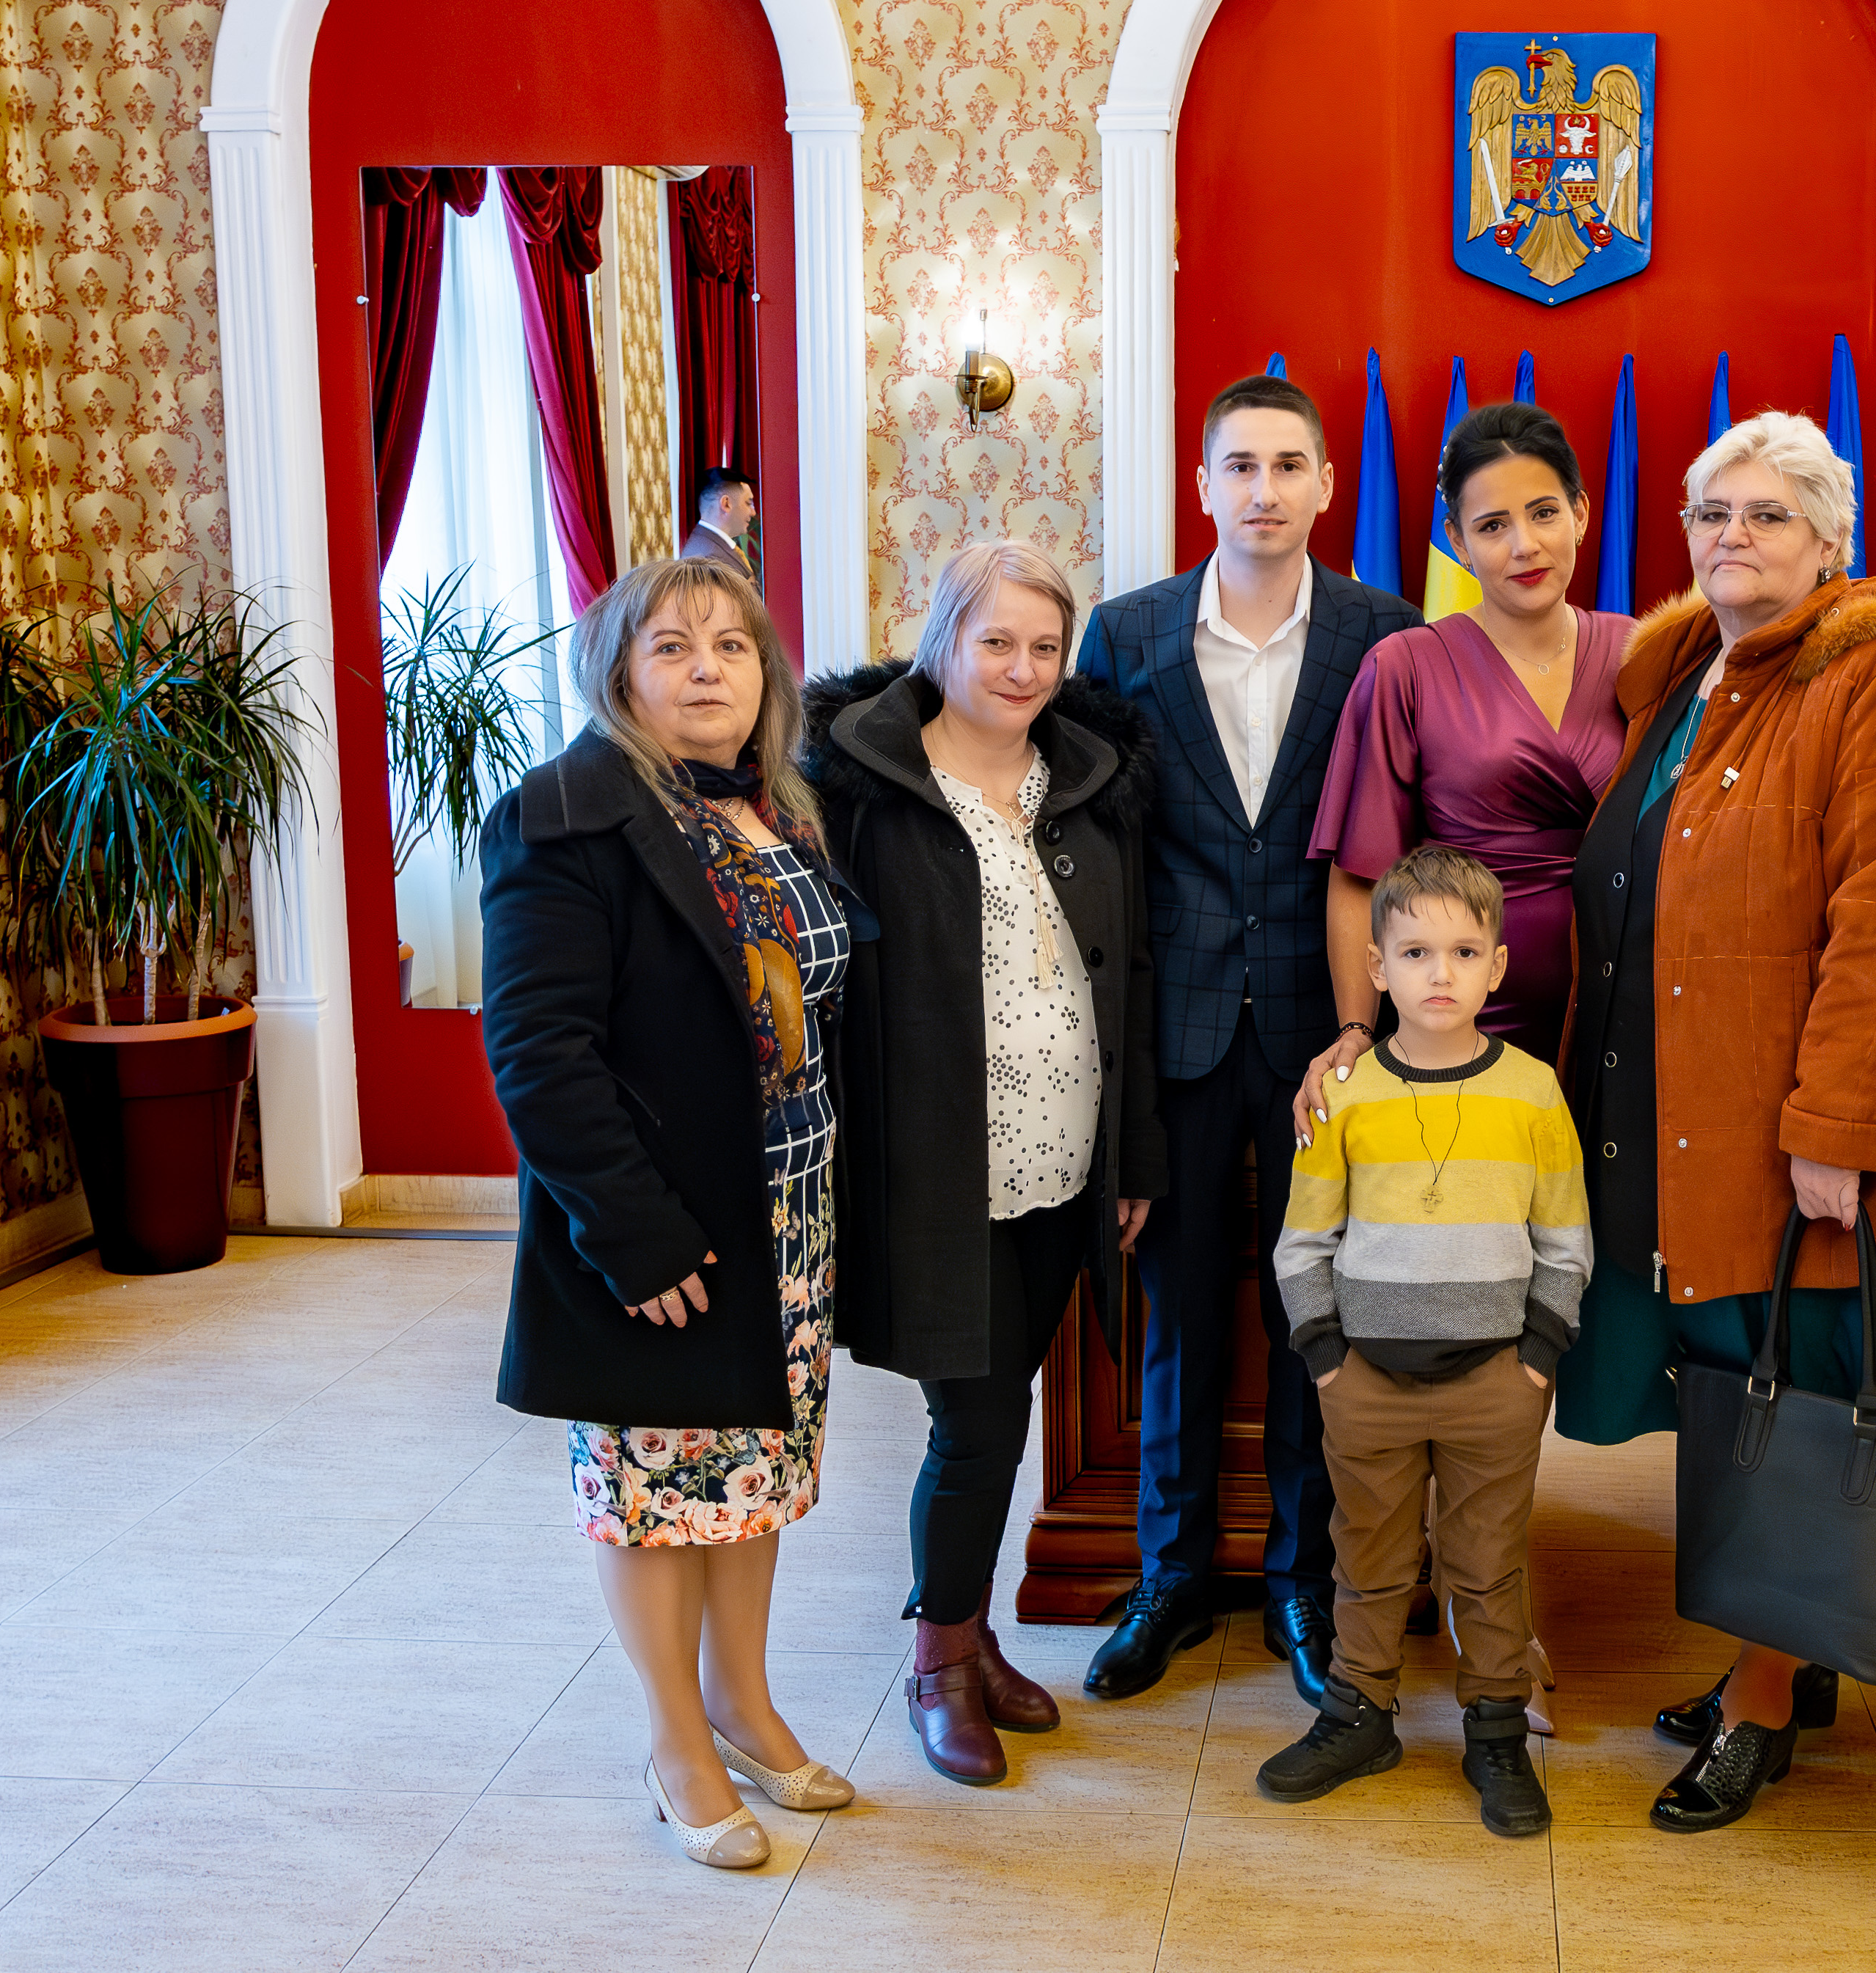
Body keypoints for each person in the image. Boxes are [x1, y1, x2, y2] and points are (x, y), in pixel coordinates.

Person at [1552, 409, 1876, 1833]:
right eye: (1712, 513)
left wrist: (1838, 1126)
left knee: (1787, 1394)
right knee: (1732, 1398)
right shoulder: (1687, 680)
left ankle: (1765, 1701)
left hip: (1788, 1144)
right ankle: (1780, 1647)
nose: (1733, 535)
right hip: (1663, 1122)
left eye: (1768, 513)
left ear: (1829, 541)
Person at [480, 556, 857, 1872]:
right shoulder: (563, 816)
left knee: (750, 1475)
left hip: (788, 1208)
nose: (707, 669)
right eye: (672, 646)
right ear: (618, 674)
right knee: (655, 1494)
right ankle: (674, 1743)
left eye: (732, 646)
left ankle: (742, 1705)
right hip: (660, 1227)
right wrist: (631, 1235)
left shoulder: (778, 812)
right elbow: (539, 1053)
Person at [1075, 375, 1421, 1709]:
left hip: (1325, 1030)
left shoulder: (1387, 635)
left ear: (1325, 483)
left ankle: (1299, 1579)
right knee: (1175, 1313)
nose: (1263, 489)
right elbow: (1091, 836)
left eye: (1287, 464)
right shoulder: (1125, 632)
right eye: (1239, 465)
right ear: (1203, 484)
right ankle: (1167, 1575)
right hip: (1172, 1027)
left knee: (1307, 1312)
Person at [805, 540, 1165, 1787]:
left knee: (1002, 1410)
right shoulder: (862, 785)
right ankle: (936, 1662)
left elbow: (1130, 974)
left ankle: (969, 1632)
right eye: (995, 640)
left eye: (1044, 646)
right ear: (943, 641)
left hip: (1065, 1156)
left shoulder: (1089, 780)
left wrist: (1131, 1156)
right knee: (975, 1422)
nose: (1020, 668)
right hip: (935, 1167)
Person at [1257, 844, 1582, 1838]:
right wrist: (1326, 1357)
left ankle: (1495, 1728)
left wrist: (1536, 1357)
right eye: (1414, 952)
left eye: (1463, 952)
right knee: (1367, 1557)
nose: (1439, 973)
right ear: (1376, 966)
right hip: (1367, 1380)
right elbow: (1302, 1242)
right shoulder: (1341, 1093)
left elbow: (1564, 1241)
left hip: (1496, 1382)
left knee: (1487, 1564)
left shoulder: (1533, 1091)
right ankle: (1359, 1713)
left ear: (1497, 966)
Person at [1300, 401, 1633, 1075]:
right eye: (1492, 525)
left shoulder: (1641, 653)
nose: (1523, 545)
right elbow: (1360, 873)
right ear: (1455, 540)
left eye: (1543, 513)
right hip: (1462, 1023)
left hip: (1624, 1007)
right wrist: (1357, 1028)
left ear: (1581, 513)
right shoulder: (1404, 667)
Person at [686, 466, 759, 576]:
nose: (753, 513)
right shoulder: (708, 559)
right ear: (726, 504)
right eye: (748, 504)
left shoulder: (708, 545)